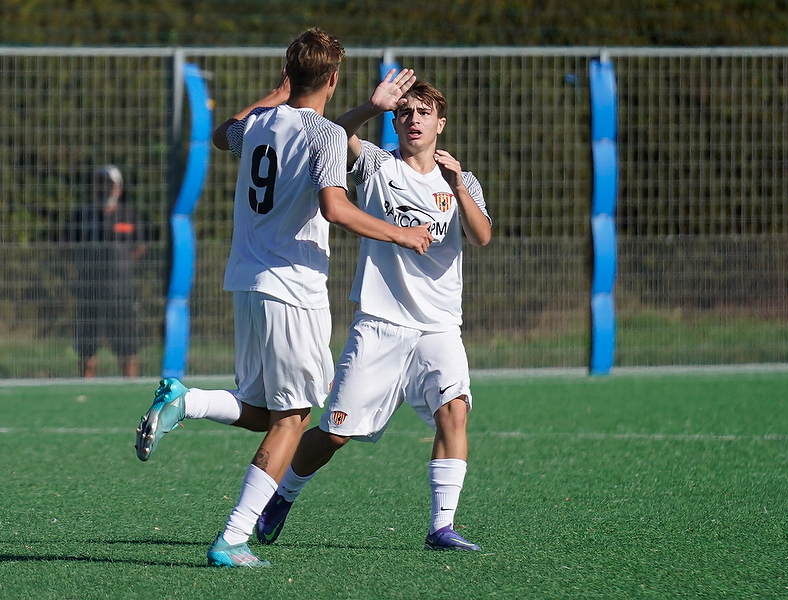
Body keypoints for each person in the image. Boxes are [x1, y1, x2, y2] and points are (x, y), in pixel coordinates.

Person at [133, 28, 433, 568]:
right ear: (334, 79)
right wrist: (403, 233)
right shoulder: (319, 133)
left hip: (246, 283)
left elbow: (226, 133)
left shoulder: (260, 124)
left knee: (262, 411)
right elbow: (335, 208)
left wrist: (289, 95)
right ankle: (233, 537)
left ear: (287, 74)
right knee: (293, 416)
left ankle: (186, 401)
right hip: (293, 290)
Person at [255, 72, 492, 551]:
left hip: (439, 326)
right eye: (405, 113)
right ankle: (282, 496)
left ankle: (441, 527)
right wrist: (371, 105)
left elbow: (482, 236)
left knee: (455, 412)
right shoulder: (379, 165)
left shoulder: (460, 179)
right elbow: (332, 138)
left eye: (424, 113)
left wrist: (460, 188)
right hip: (381, 324)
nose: (414, 120)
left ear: (441, 124)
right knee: (335, 434)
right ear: (396, 122)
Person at [64, 165, 146, 378]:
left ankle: (130, 394)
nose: (103, 189)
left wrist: (122, 265)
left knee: (128, 350)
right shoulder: (81, 216)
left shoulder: (129, 214)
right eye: (99, 183)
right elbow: (65, 245)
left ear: (118, 188)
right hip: (89, 293)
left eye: (108, 184)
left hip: (123, 293)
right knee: (87, 351)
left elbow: (140, 246)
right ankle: (85, 395)